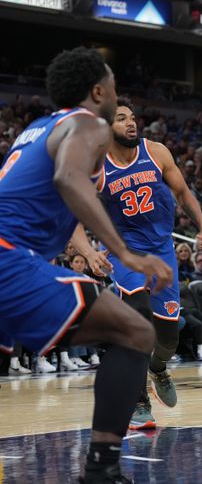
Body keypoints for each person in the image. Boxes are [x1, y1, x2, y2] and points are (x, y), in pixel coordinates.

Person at [0, 47, 171, 483]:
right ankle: (102, 469)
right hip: (7, 258)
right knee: (135, 331)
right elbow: (68, 180)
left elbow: (56, 196)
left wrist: (82, 246)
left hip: (17, 256)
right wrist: (126, 253)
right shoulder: (87, 123)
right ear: (99, 91)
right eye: (113, 83)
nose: (117, 92)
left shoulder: (37, 129)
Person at [71, 97, 202, 431]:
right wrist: (90, 252)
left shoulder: (156, 151)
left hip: (162, 249)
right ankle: (138, 401)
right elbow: (72, 217)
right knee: (135, 315)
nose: (131, 123)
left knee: (168, 336)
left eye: (133, 117)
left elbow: (182, 193)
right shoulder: (96, 167)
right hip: (126, 252)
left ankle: (158, 367)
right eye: (121, 119)